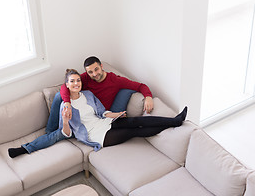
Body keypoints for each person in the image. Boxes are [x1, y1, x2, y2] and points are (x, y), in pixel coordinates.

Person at [8, 56, 155, 158]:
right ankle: (30, 144)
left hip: (101, 112)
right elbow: (65, 88)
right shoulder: (84, 80)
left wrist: (148, 96)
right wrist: (66, 103)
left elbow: (139, 85)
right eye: (90, 72)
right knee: (57, 115)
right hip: (83, 120)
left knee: (126, 94)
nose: (94, 74)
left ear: (101, 66)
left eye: (96, 70)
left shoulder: (114, 81)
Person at [60, 69, 187, 150]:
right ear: (67, 85)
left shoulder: (87, 94)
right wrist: (65, 121)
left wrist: (117, 114)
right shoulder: (65, 106)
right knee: (133, 131)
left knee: (135, 121)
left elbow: (101, 112)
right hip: (96, 135)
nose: (76, 83)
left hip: (103, 122)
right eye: (72, 81)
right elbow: (67, 133)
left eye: (78, 80)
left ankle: (175, 121)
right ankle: (173, 123)